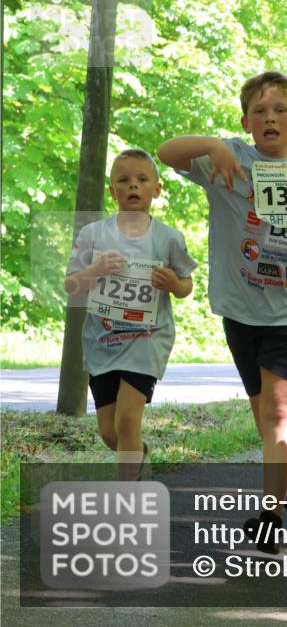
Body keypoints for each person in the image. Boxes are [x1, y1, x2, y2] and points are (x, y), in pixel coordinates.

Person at [157, 72, 287, 553]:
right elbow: (165, 152)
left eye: (280, 110)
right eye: (260, 111)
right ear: (246, 122)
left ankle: (271, 517)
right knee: (265, 415)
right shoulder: (228, 159)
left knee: (279, 407)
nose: (270, 118)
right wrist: (213, 145)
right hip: (242, 309)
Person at [64, 149, 196, 480]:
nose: (133, 186)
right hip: (103, 341)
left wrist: (173, 283)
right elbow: (71, 285)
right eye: (124, 180)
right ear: (113, 191)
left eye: (142, 179)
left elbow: (186, 286)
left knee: (127, 421)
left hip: (147, 339)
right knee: (110, 434)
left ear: (157, 188)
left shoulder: (168, 238)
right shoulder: (93, 235)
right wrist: (95, 269)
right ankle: (140, 456)